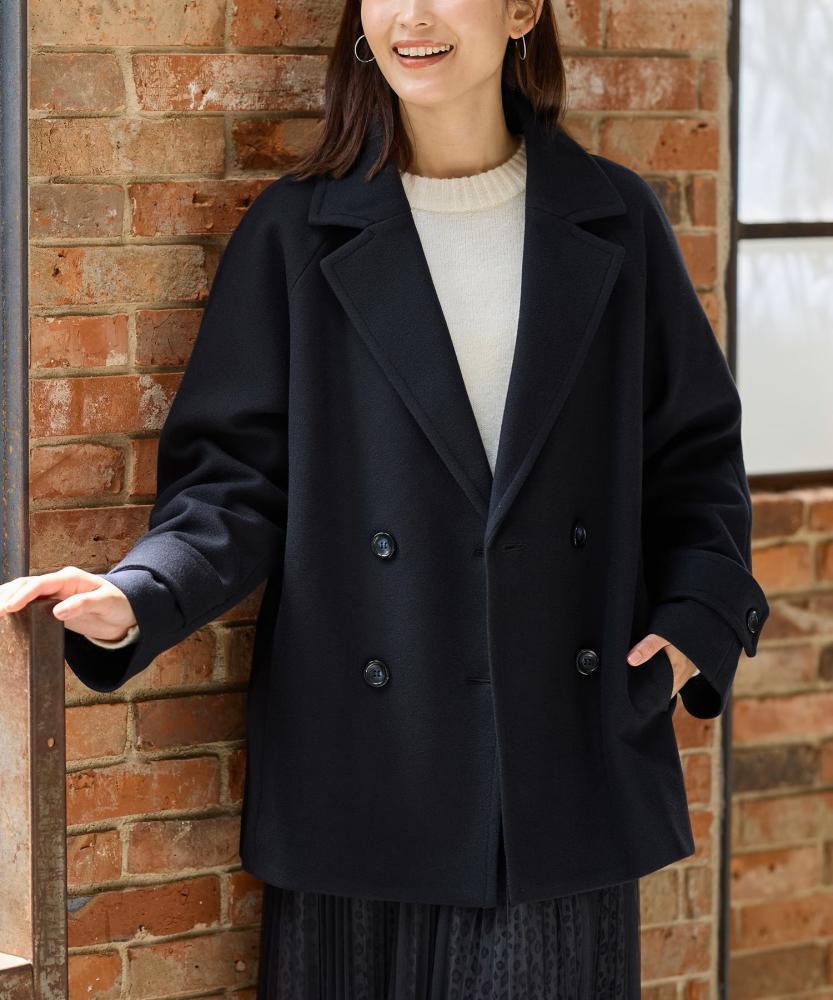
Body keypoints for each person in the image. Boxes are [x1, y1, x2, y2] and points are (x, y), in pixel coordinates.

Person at [0, 0, 770, 996]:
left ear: (521, 9)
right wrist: (138, 594)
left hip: (556, 768)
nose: (411, 15)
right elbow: (232, 483)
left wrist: (690, 632)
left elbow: (695, 458)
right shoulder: (295, 232)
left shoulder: (614, 218)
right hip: (359, 778)